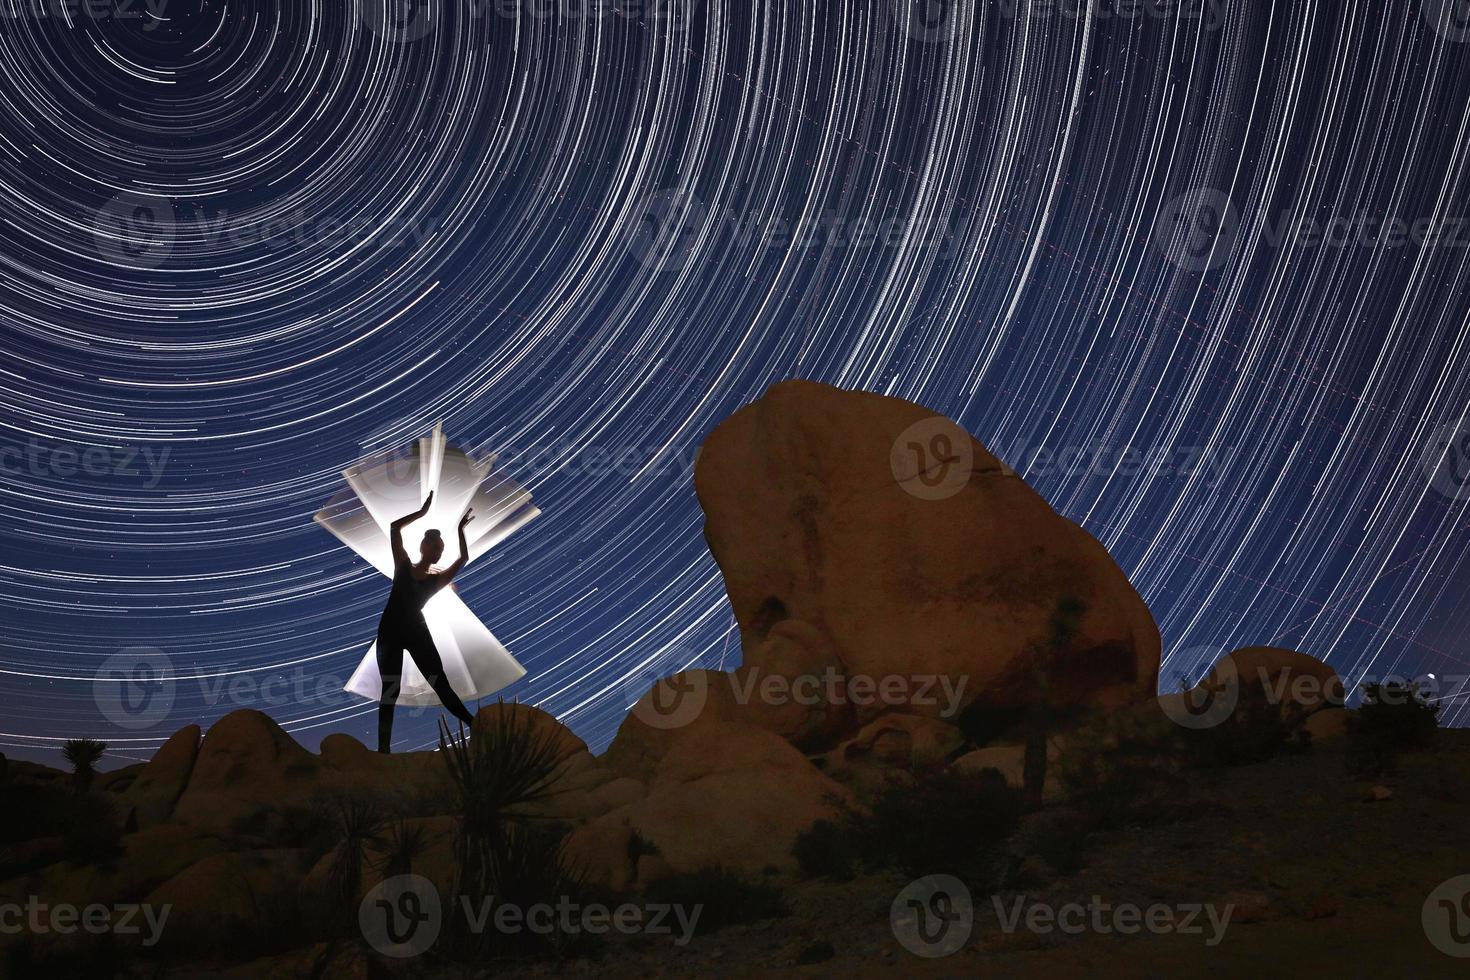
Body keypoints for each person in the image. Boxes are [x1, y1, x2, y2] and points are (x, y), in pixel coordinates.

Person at [375, 490, 477, 753]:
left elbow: (463, 559)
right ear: (423, 546)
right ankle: (382, 753)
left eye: (441, 549)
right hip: (390, 632)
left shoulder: (436, 580)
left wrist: (460, 530)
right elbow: (394, 527)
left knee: (439, 682)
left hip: (417, 632)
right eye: (435, 546)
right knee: (390, 689)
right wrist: (422, 513)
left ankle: (475, 725)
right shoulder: (403, 565)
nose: (438, 552)